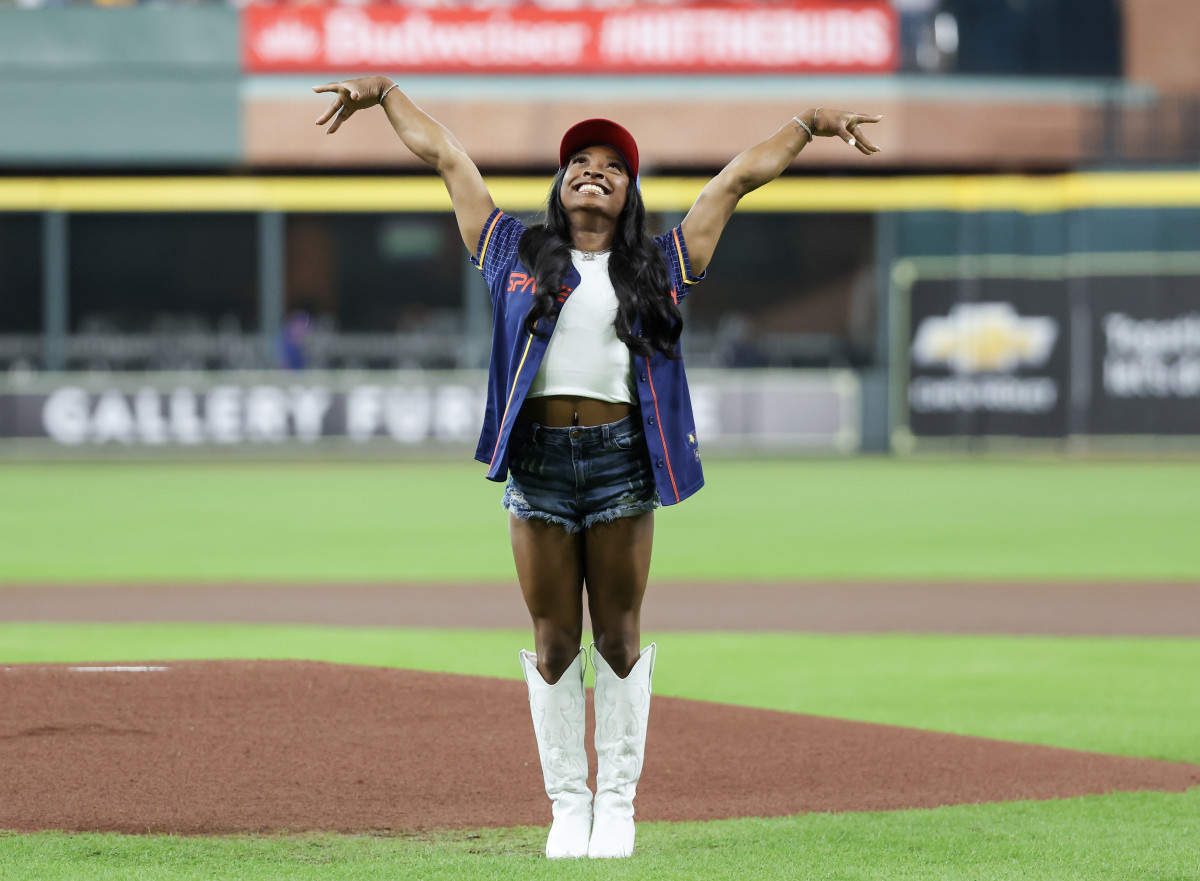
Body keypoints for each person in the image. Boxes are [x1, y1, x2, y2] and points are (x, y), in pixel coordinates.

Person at [313, 77, 881, 859]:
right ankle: (566, 806)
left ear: (629, 193)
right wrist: (385, 95)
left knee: (617, 637)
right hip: (539, 469)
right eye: (580, 159)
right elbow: (445, 154)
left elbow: (736, 180)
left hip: (620, 465)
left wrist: (808, 124)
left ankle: (617, 805)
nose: (593, 169)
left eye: (612, 165)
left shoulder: (661, 262)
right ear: (559, 182)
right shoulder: (511, 249)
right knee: (552, 644)